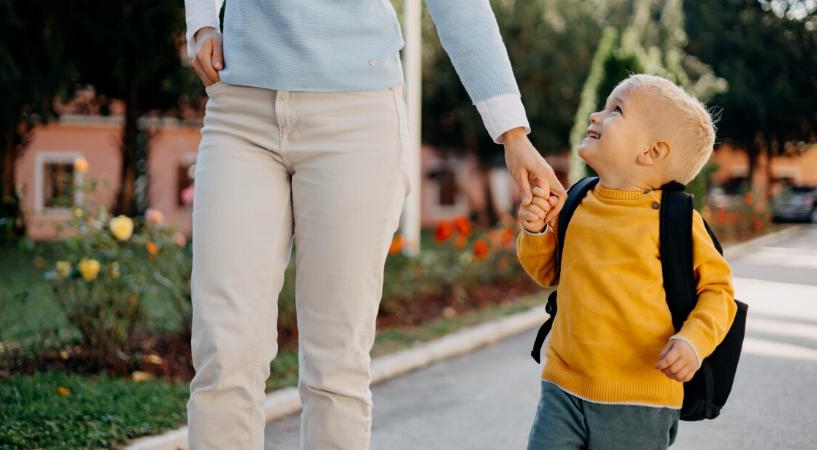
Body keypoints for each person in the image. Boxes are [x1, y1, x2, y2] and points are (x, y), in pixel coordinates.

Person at [183, 1, 565, 448]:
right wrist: (203, 24)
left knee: (335, 363)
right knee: (223, 352)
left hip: (356, 120)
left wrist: (512, 134)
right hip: (241, 111)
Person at [516, 74, 737, 449]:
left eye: (615, 110)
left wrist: (692, 342)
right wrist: (537, 233)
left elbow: (719, 293)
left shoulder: (675, 221)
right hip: (563, 385)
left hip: (640, 399)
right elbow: (547, 272)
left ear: (651, 152)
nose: (595, 116)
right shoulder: (578, 200)